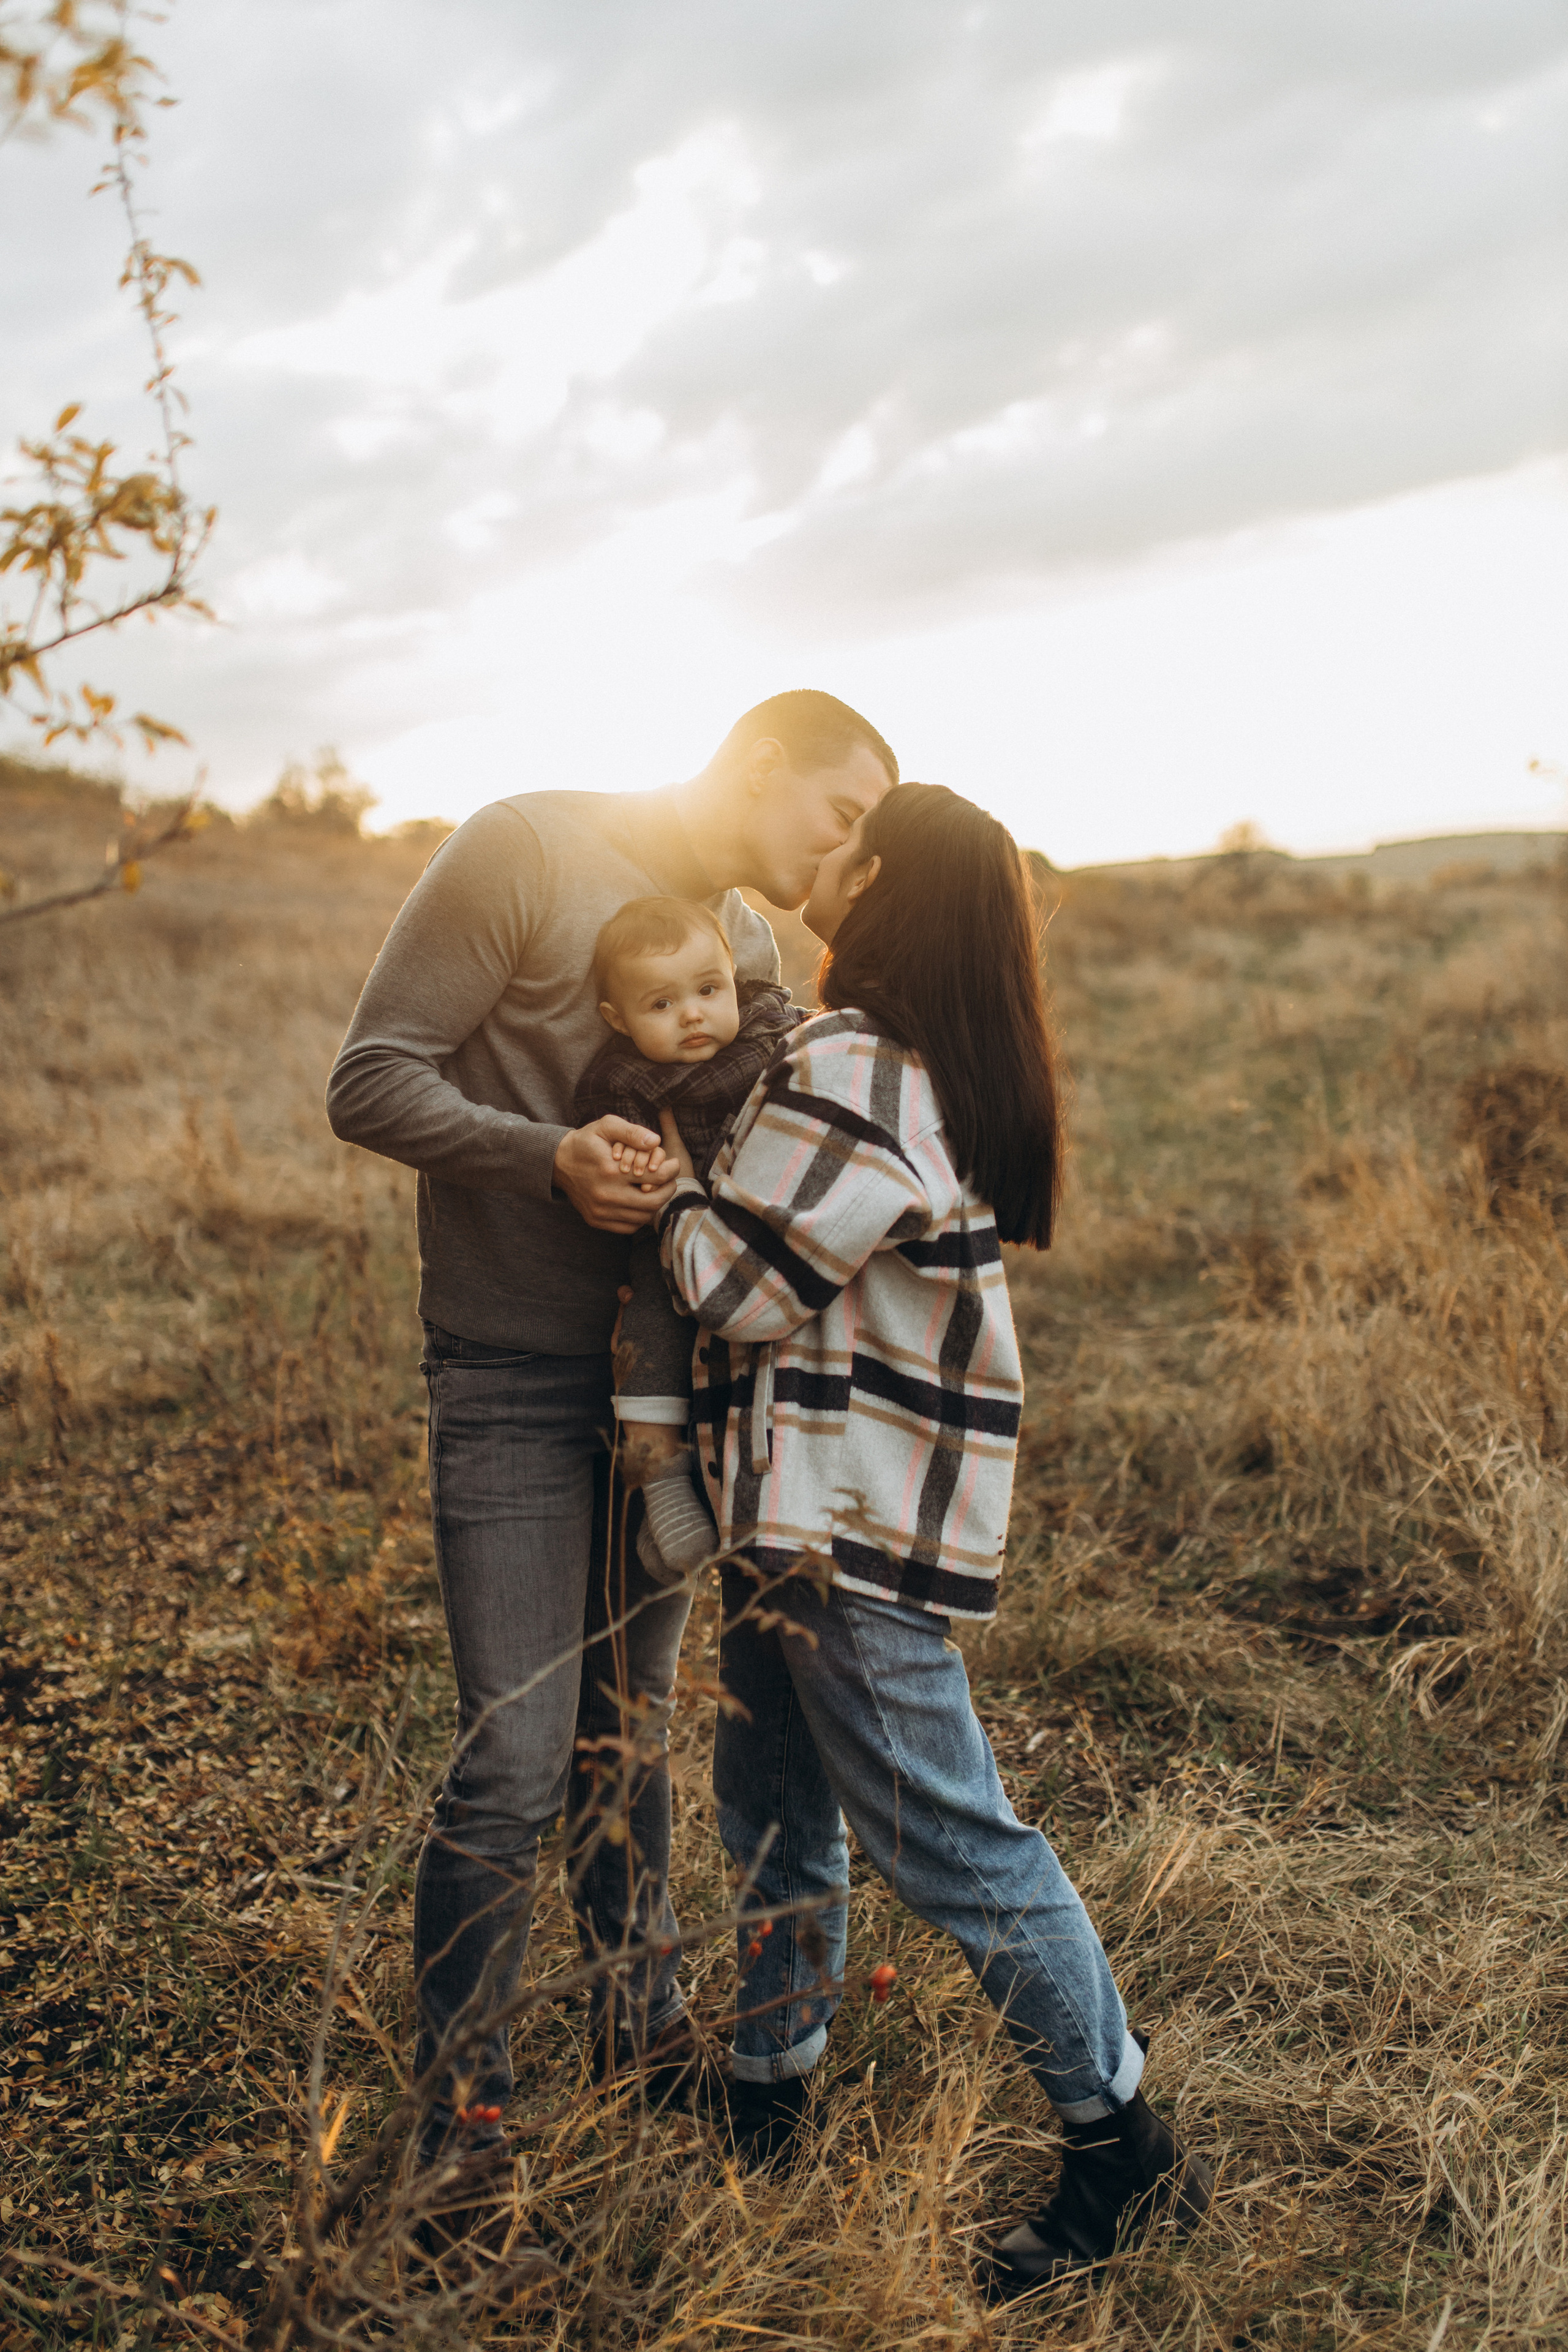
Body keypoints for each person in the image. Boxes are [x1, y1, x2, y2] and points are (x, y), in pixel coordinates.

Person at [323, 691, 896, 2208]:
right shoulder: (518, 847)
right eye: (835, 814)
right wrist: (545, 1158)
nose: (840, 851)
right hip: (510, 1377)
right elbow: (368, 1075)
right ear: (758, 763)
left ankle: (639, 2038)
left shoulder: (748, 955)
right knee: (512, 1756)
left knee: (625, 1728)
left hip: (672, 1400)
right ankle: (460, 2128)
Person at [654, 782, 1212, 2298]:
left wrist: (652, 1172)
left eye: (840, 841)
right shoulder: (915, 1061)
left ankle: (1117, 2137)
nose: (810, 852)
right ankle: (771, 2087)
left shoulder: (854, 1065)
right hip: (812, 1508)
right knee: (770, 1790)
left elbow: (735, 1287)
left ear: (879, 878)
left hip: (841, 1524)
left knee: (951, 1837)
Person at [573, 894, 803, 1583]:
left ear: (735, 978)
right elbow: (621, 1151)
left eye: (708, 990)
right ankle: (661, 1475)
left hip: (756, 1234)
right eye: (662, 1005)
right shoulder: (624, 1080)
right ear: (617, 1020)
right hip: (667, 1241)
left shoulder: (775, 1036)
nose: (693, 1015)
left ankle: (714, 1489)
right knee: (648, 1324)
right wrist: (641, 1164)